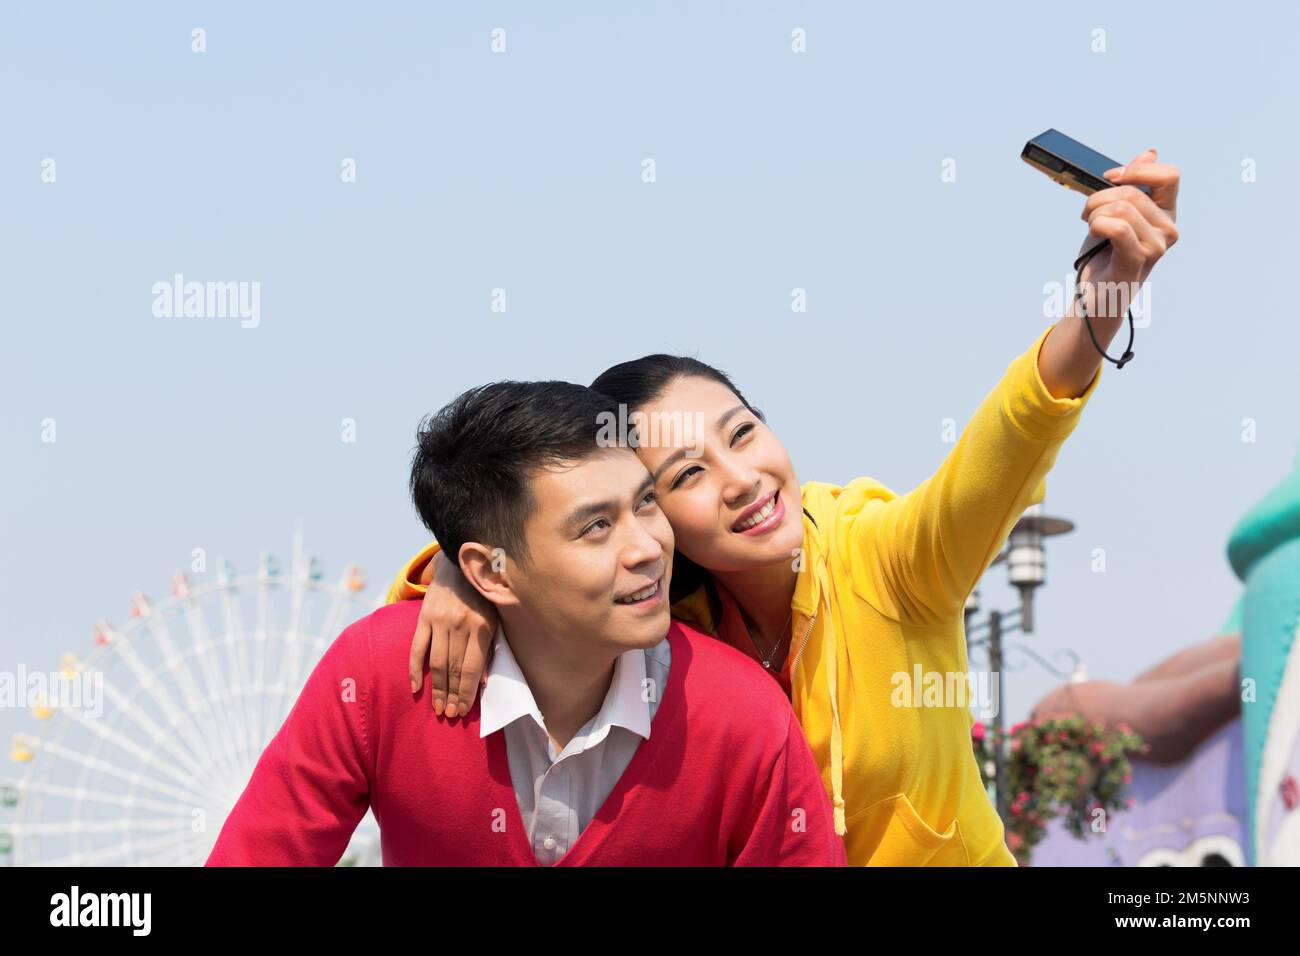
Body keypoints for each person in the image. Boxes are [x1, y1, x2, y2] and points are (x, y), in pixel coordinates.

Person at [389, 151, 1182, 865]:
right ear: (647, 514)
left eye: (744, 432)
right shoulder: (657, 635)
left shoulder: (892, 562)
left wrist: (1103, 298)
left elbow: (1008, 442)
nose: (742, 478)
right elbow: (539, 576)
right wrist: (454, 583)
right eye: (689, 473)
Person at [207, 380, 845, 866]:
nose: (648, 548)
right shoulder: (381, 678)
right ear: (490, 573)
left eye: (646, 503)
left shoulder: (745, 719)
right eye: (596, 527)